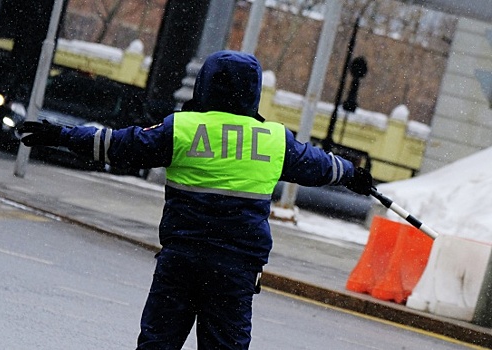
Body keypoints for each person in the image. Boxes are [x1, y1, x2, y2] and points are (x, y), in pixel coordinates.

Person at [19, 50, 373, 349]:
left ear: (205, 84)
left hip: (182, 261)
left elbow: (119, 145)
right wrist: (353, 175)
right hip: (235, 271)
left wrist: (60, 134)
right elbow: (321, 166)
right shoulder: (273, 140)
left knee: (158, 343)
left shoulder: (183, 128)